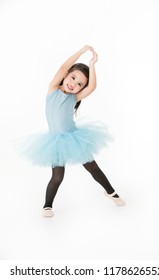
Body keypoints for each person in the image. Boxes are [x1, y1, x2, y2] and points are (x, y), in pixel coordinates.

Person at [20, 45, 125, 217]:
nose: (73, 84)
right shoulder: (53, 89)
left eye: (79, 84)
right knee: (57, 176)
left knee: (93, 168)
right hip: (54, 142)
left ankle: (111, 192)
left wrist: (92, 64)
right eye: (73, 77)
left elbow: (92, 88)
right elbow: (62, 68)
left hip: (75, 139)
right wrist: (82, 52)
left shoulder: (74, 97)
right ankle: (47, 206)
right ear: (66, 75)